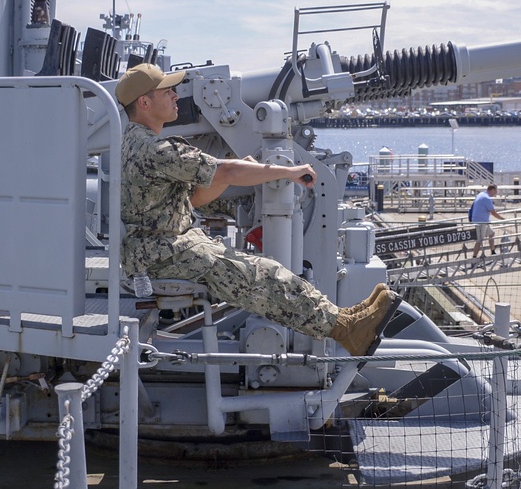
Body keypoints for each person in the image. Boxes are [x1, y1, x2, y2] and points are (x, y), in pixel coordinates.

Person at [117, 63, 399, 357]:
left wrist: (230, 173)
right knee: (262, 274)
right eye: (167, 91)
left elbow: (196, 198)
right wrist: (286, 172)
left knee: (266, 270)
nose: (176, 96)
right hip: (162, 252)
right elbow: (225, 171)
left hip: (160, 245)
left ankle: (344, 317)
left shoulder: (136, 142)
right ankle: (346, 330)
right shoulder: (154, 150)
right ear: (145, 102)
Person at [471, 183, 505, 258]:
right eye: (495, 191)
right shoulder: (487, 198)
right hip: (481, 222)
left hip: (479, 220)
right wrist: (503, 219)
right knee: (480, 240)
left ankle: (493, 251)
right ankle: (474, 257)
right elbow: (493, 212)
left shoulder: (481, 194)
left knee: (491, 233)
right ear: (492, 190)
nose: (496, 193)